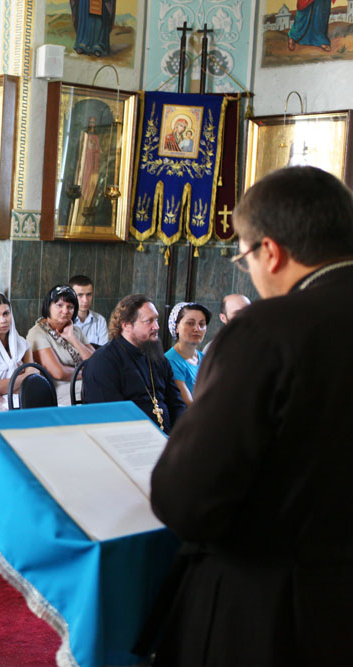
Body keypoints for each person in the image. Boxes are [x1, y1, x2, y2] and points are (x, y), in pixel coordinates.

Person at [149, 166, 353, 664]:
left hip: (276, 607)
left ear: (271, 252)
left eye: (244, 259)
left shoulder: (270, 329)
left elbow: (187, 499)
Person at [81, 294, 185, 433]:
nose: (156, 326)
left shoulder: (158, 358)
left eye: (156, 319)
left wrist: (180, 436)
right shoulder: (103, 362)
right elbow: (109, 418)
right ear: (126, 325)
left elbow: (176, 404)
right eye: (149, 321)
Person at [27, 284, 95, 406]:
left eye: (70, 307)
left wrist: (72, 339)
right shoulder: (37, 333)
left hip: (82, 384)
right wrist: (88, 373)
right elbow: (58, 372)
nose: (65, 311)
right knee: (100, 389)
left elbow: (96, 363)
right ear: (48, 306)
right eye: (59, 305)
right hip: (57, 390)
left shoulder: (76, 331)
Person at [164, 301, 210, 407]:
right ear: (176, 327)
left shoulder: (205, 358)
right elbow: (189, 404)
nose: (197, 329)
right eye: (190, 323)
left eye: (201, 324)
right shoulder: (170, 361)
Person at [69, 274, 109, 346]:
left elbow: (104, 350)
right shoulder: (64, 320)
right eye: (80, 295)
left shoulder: (100, 320)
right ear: (71, 296)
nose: (85, 300)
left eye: (88, 294)